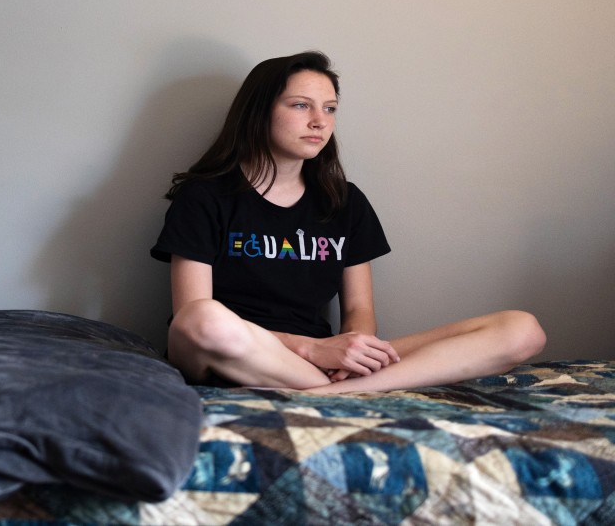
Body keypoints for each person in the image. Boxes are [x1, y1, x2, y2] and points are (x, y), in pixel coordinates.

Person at [151, 51, 545, 393]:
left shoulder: (344, 201)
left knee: (522, 329)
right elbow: (190, 314)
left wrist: (353, 351)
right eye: (301, 106)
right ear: (259, 112)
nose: (319, 121)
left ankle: (340, 390)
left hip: (319, 361)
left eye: (330, 108)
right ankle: (352, 391)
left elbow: (359, 309)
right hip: (236, 351)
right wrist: (310, 349)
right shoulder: (205, 197)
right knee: (203, 319)